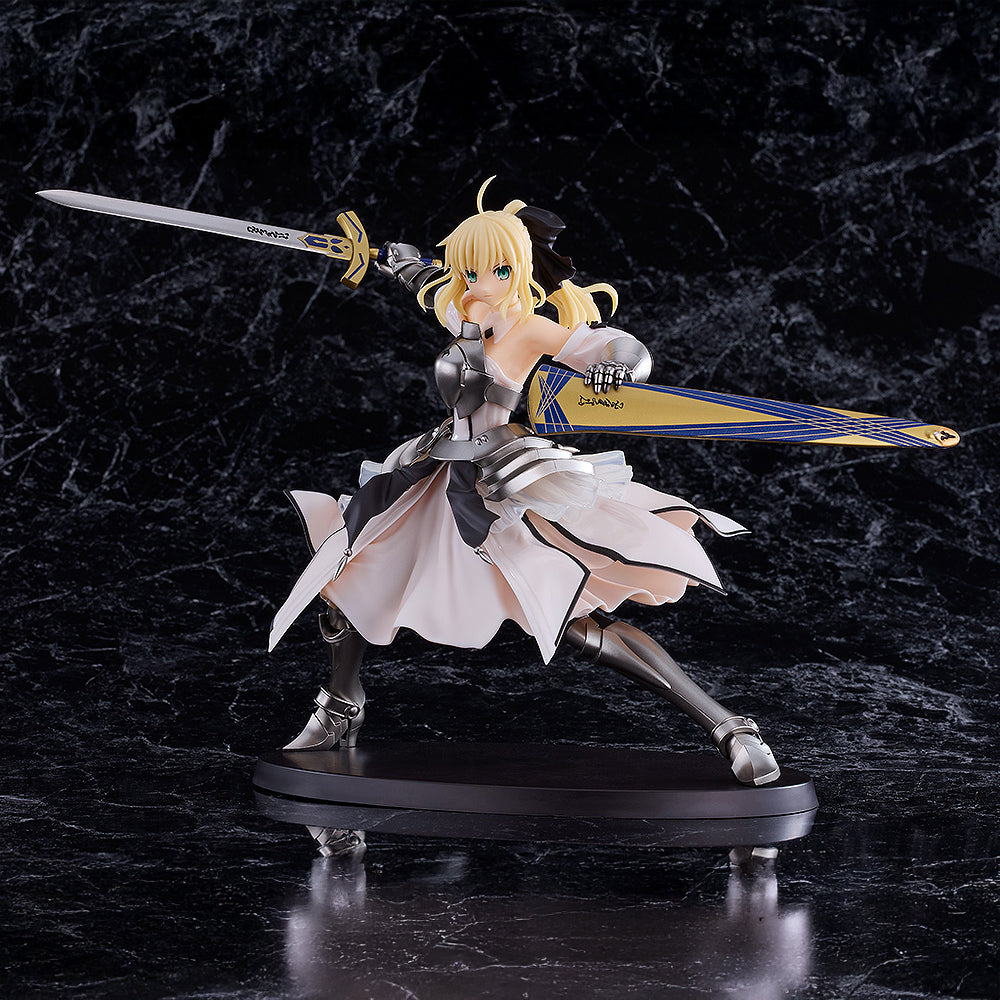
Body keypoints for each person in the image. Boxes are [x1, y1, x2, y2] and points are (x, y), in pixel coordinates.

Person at [269, 178, 780, 786]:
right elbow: (425, 284)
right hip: (436, 469)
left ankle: (727, 726)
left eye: (494, 270)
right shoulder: (465, 310)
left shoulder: (531, 329)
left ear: (517, 268)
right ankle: (340, 707)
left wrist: (619, 366)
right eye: (468, 271)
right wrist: (393, 260)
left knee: (571, 613)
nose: (478, 283)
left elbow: (616, 345)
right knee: (352, 564)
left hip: (499, 480)